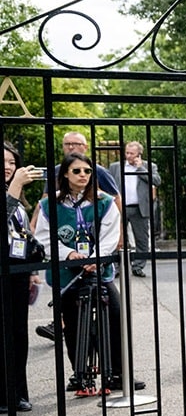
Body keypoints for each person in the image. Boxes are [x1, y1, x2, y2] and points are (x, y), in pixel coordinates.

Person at [33, 153, 141, 396]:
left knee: (114, 315)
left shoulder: (104, 201)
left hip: (99, 271)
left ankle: (117, 374)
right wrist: (69, 254)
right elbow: (43, 238)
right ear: (65, 175)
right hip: (67, 273)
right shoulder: (50, 205)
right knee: (72, 324)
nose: (83, 175)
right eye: (77, 171)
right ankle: (81, 374)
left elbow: (111, 234)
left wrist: (96, 258)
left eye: (87, 171)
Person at [3, 143, 44, 412]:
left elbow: (23, 234)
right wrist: (15, 187)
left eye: (11, 162)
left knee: (18, 333)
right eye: (2, 162)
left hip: (17, 272)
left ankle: (16, 392)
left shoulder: (16, 197)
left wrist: (31, 270)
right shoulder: (12, 193)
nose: (8, 167)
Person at [108, 141, 161, 277]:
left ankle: (138, 266)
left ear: (139, 154)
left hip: (139, 208)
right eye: (127, 153)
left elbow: (157, 181)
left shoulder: (149, 166)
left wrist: (140, 168)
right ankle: (115, 267)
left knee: (141, 239)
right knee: (116, 238)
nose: (129, 156)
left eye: (132, 153)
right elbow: (108, 184)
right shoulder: (115, 167)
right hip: (119, 207)